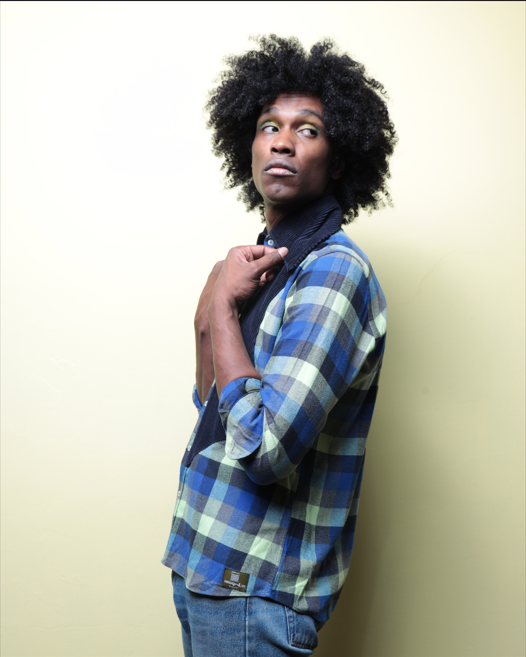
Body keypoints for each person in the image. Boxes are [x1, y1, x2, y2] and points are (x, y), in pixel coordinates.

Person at [162, 35, 397, 656]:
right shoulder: (268, 266)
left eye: (307, 130)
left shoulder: (333, 271)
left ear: (339, 160)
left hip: (254, 592)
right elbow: (214, 409)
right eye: (269, 126)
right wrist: (209, 318)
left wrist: (221, 306)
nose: (283, 141)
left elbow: (265, 448)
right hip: (207, 567)